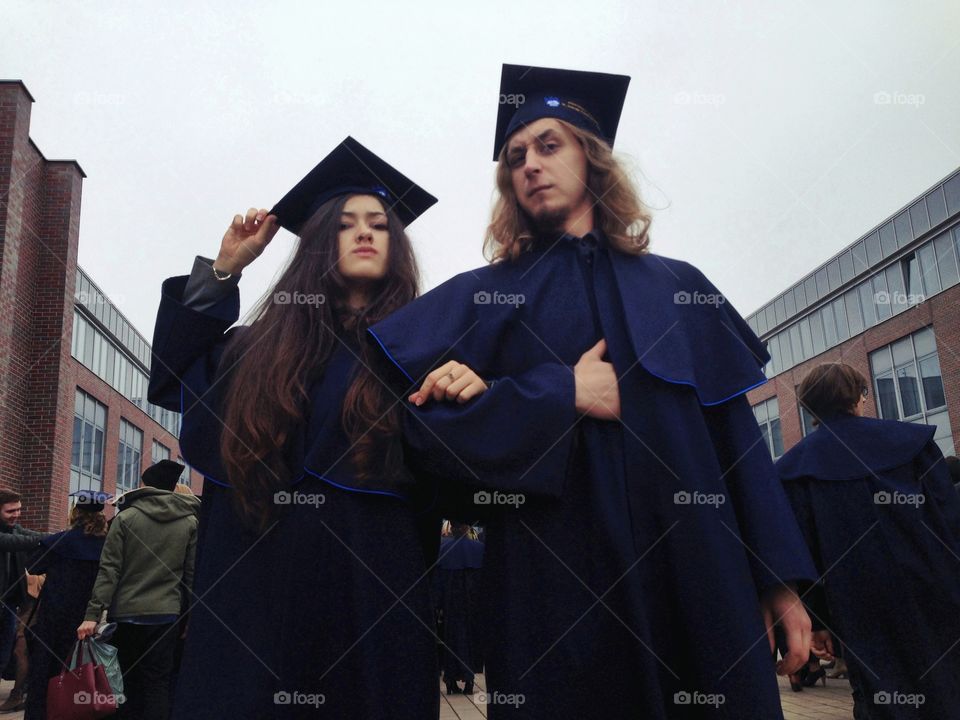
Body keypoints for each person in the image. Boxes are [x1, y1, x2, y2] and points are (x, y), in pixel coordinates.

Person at [368, 64, 816, 718]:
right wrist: (555, 394)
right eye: (516, 156)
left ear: (592, 160)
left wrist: (779, 581)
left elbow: (737, 443)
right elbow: (411, 432)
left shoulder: (678, 286)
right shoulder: (482, 299)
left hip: (696, 574)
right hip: (552, 592)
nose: (530, 165)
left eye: (550, 146)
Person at [146, 137, 488, 719]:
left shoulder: (429, 354)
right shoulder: (255, 351)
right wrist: (224, 271)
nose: (363, 233)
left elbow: (465, 479)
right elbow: (175, 377)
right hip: (253, 601)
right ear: (315, 245)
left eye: (379, 224)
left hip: (373, 604)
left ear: (396, 245)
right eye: (344, 224)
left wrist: (476, 395)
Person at [776, 362, 960, 719]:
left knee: (883, 698)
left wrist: (819, 620)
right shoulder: (913, 443)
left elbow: (801, 554)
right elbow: (949, 522)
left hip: (858, 605)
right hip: (935, 589)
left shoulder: (793, 470)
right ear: (859, 398)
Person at [77, 460, 200, 720]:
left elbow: (109, 570)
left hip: (126, 615)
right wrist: (191, 616)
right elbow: (190, 576)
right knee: (158, 684)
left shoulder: (126, 518)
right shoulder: (190, 522)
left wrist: (92, 614)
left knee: (125, 683)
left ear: (146, 486)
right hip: (166, 616)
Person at [24, 490, 110, 720]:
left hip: (53, 615)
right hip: (88, 617)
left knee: (44, 671)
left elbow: (33, 566)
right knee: (82, 670)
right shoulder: (108, 545)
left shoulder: (61, 541)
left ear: (76, 512)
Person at [0, 487, 47, 710]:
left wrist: (61, 538)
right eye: (11, 511)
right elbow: (15, 542)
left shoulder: (15, 529)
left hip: (9, 603)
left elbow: (32, 537)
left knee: (3, 653)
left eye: (19, 509)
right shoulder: (8, 536)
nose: (17, 514)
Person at [435, 521, 484, 696]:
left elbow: (438, 583)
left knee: (450, 640)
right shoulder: (479, 549)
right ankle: (469, 680)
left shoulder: (442, 549)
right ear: (466, 527)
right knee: (470, 641)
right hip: (471, 606)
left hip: (450, 606)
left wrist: (437, 606)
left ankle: (450, 681)